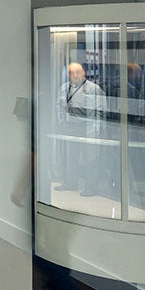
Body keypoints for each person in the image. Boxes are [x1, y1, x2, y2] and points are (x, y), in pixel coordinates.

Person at [55, 61, 106, 196]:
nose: (75, 75)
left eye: (78, 72)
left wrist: (96, 130)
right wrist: (61, 122)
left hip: (87, 128)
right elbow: (59, 106)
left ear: (83, 73)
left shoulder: (93, 89)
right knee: (70, 156)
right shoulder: (64, 88)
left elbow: (100, 111)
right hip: (70, 127)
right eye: (72, 73)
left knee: (90, 158)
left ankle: (91, 187)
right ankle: (71, 183)